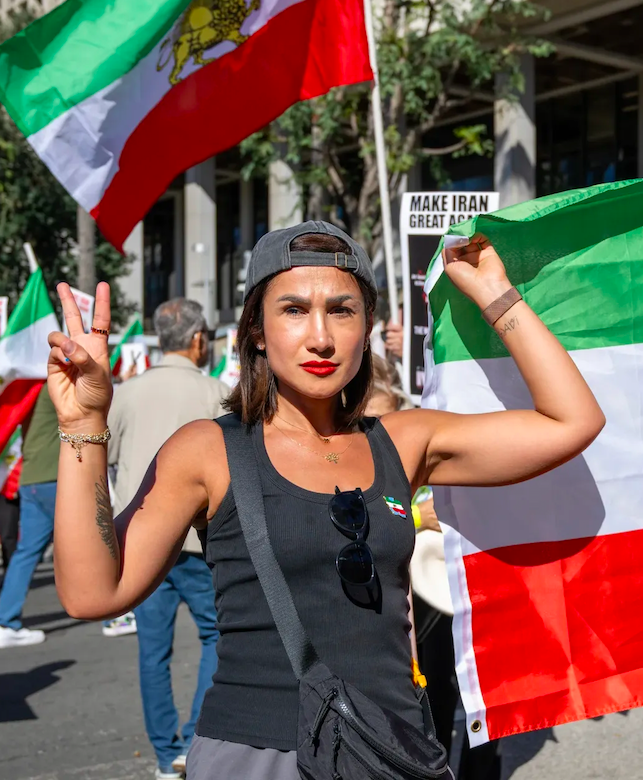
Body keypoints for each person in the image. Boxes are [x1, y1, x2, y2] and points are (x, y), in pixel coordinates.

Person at [45, 221, 604, 780]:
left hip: (394, 748)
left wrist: (494, 294)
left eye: (342, 310)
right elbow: (93, 593)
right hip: (256, 755)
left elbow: (572, 421)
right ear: (257, 331)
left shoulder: (404, 441)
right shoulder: (208, 450)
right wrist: (83, 421)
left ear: (367, 328)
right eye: (292, 310)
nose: (320, 337)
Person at [107, 298, 229, 779]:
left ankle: (164, 753)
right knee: (218, 636)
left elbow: (105, 455)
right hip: (199, 540)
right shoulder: (215, 390)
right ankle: (196, 737)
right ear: (198, 339)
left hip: (139, 539)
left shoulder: (124, 393)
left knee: (152, 652)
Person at [0, 383, 58, 647]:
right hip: (54, 478)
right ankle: (116, 613)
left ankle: (5, 622)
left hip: (32, 478)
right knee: (95, 539)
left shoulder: (29, 388)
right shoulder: (53, 385)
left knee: (26, 552)